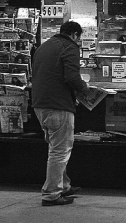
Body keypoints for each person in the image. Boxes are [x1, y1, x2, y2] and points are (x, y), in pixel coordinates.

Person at [31, 21, 88, 206]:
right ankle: (51, 194)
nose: (79, 42)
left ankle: (63, 186)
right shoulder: (69, 47)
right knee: (59, 151)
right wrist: (85, 88)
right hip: (58, 105)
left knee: (56, 148)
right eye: (79, 38)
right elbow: (72, 77)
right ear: (75, 35)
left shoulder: (44, 46)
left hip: (41, 104)